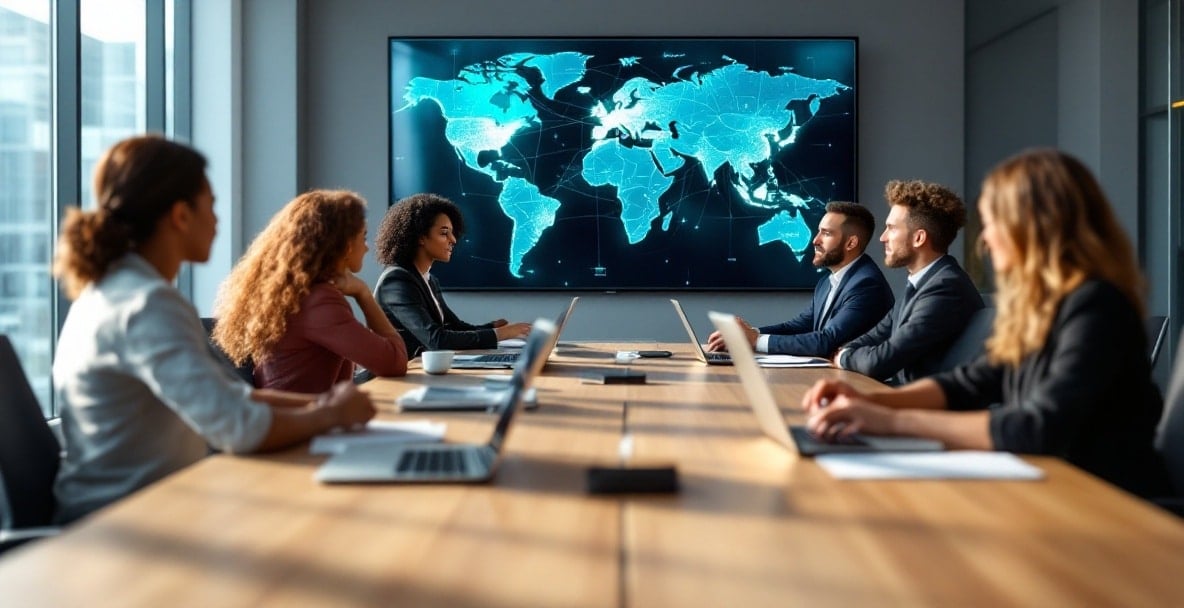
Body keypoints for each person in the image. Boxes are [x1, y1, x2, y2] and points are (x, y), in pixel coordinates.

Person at [801, 149, 1170, 498]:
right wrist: (872, 402)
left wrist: (889, 421)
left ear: (1035, 228)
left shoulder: (1097, 305)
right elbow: (972, 382)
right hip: (1056, 486)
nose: (985, 241)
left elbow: (1039, 427)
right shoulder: (1039, 306)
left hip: (1109, 502)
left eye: (993, 223)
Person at [51, 135, 376, 524]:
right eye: (212, 205)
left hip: (146, 510)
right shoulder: (146, 305)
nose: (218, 220)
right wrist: (329, 416)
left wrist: (326, 407)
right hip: (127, 523)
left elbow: (234, 397)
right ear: (180, 215)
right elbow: (239, 427)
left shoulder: (114, 292)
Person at [212, 190, 408, 393]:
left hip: (292, 416)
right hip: (300, 420)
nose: (367, 248)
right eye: (364, 237)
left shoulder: (295, 294)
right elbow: (395, 361)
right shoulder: (319, 300)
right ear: (344, 244)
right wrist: (364, 293)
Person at [833, 180, 983, 383]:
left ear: (919, 238)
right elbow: (876, 336)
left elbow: (880, 362)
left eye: (891, 228)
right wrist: (849, 350)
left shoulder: (945, 287)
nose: (882, 238)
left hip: (926, 409)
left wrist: (843, 357)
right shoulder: (922, 282)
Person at [705, 202, 893, 357]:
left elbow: (825, 341)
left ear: (851, 243)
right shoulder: (828, 281)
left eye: (826, 233)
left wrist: (754, 340)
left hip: (860, 388)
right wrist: (749, 334)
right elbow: (800, 326)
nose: (815, 240)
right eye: (818, 231)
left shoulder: (867, 285)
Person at [373, 193, 531, 357]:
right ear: (420, 237)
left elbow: (453, 327)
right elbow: (437, 340)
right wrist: (502, 334)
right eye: (444, 233)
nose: (453, 240)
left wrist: (493, 327)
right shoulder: (397, 281)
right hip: (395, 379)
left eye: (452, 233)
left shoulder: (428, 279)